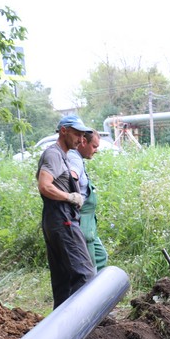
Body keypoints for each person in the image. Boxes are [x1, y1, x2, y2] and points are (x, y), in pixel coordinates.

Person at [37, 115, 96, 308]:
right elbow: (44, 186)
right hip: (62, 219)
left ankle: (60, 330)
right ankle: (83, 326)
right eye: (77, 134)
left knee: (63, 281)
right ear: (64, 131)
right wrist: (70, 197)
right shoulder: (53, 154)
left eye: (82, 135)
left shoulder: (62, 155)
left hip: (56, 219)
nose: (81, 139)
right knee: (85, 275)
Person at [68, 130, 108, 271]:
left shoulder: (78, 158)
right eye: (94, 146)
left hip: (89, 222)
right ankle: (92, 290)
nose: (96, 151)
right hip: (82, 222)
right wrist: (74, 198)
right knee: (90, 267)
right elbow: (72, 177)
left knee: (101, 256)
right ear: (84, 142)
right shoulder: (74, 158)